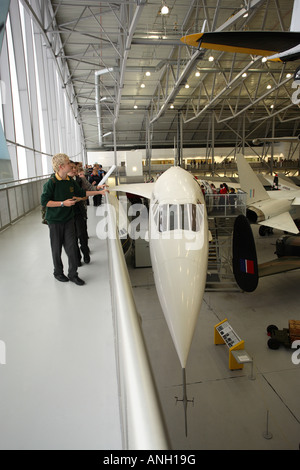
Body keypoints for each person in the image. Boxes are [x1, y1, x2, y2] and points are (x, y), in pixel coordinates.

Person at [41, 153, 108, 286]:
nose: (71, 165)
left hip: (69, 219)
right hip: (55, 221)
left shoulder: (70, 180)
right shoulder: (51, 183)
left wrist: (99, 192)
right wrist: (62, 203)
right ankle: (58, 273)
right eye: (68, 163)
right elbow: (45, 201)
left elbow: (82, 193)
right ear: (61, 166)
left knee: (71, 248)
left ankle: (73, 274)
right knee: (56, 248)